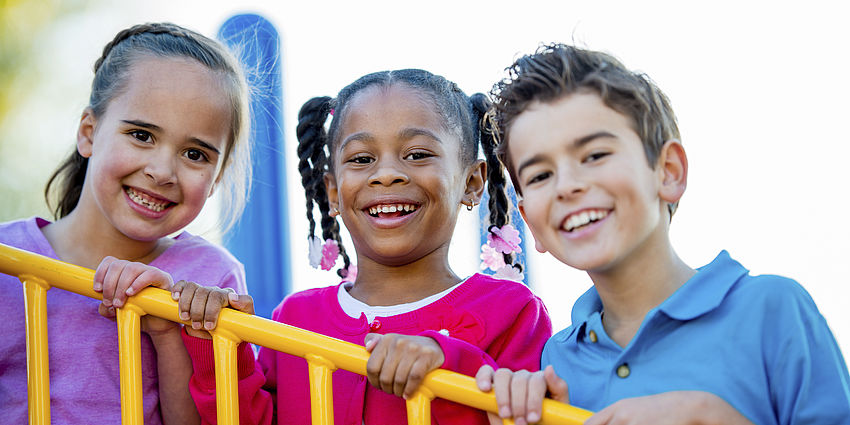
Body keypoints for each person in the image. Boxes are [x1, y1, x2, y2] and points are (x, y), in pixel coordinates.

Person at [474, 44, 850, 425]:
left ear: (668, 171)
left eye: (595, 155)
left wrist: (714, 417)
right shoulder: (555, 362)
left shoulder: (773, 309)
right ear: (530, 223)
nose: (566, 186)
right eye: (540, 176)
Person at [172, 68, 552, 425]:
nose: (386, 174)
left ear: (472, 182)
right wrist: (216, 345)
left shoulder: (513, 311)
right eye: (362, 159)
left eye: (418, 154)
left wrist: (448, 359)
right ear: (333, 192)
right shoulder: (294, 318)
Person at [0, 22, 253, 425]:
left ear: (218, 174)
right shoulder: (8, 259)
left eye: (195, 154)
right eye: (141, 135)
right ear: (89, 133)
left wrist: (167, 331)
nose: (162, 171)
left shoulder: (211, 278)